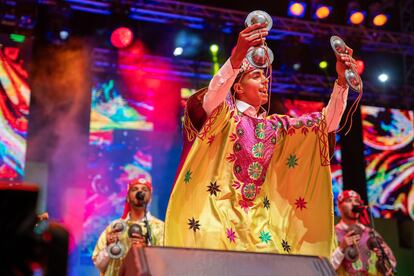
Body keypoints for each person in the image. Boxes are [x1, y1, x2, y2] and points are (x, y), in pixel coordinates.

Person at [165, 21, 356, 259]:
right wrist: (236, 58)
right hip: (219, 221)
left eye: (265, 76)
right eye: (256, 76)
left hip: (261, 230)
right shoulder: (224, 116)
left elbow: (326, 124)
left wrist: (340, 83)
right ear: (238, 88)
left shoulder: (276, 127)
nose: (265, 81)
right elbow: (213, 95)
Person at [92, 178, 164, 276]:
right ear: (127, 198)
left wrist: (146, 251)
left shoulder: (160, 228)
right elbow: (99, 265)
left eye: (144, 189)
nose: (140, 192)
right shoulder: (114, 227)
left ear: (150, 198)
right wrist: (109, 247)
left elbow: (164, 266)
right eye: (135, 189)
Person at [332, 190, 397, 275]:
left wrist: (385, 256)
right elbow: (327, 267)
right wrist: (341, 248)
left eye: (357, 201)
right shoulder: (334, 234)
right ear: (339, 206)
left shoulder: (371, 233)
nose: (354, 204)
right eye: (348, 200)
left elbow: (392, 264)